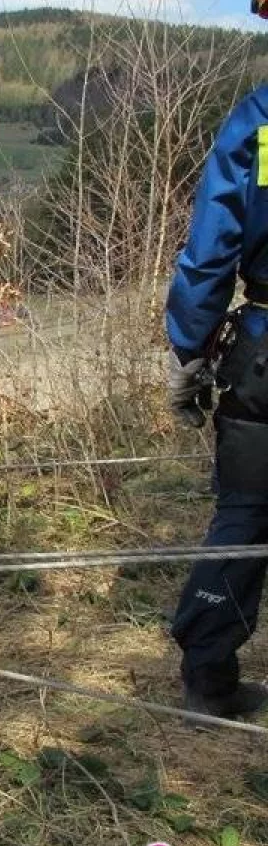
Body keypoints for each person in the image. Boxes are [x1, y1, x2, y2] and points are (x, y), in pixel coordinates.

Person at [165, 59, 268, 720]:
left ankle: (209, 673)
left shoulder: (260, 122)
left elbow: (211, 249)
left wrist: (189, 346)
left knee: (248, 512)